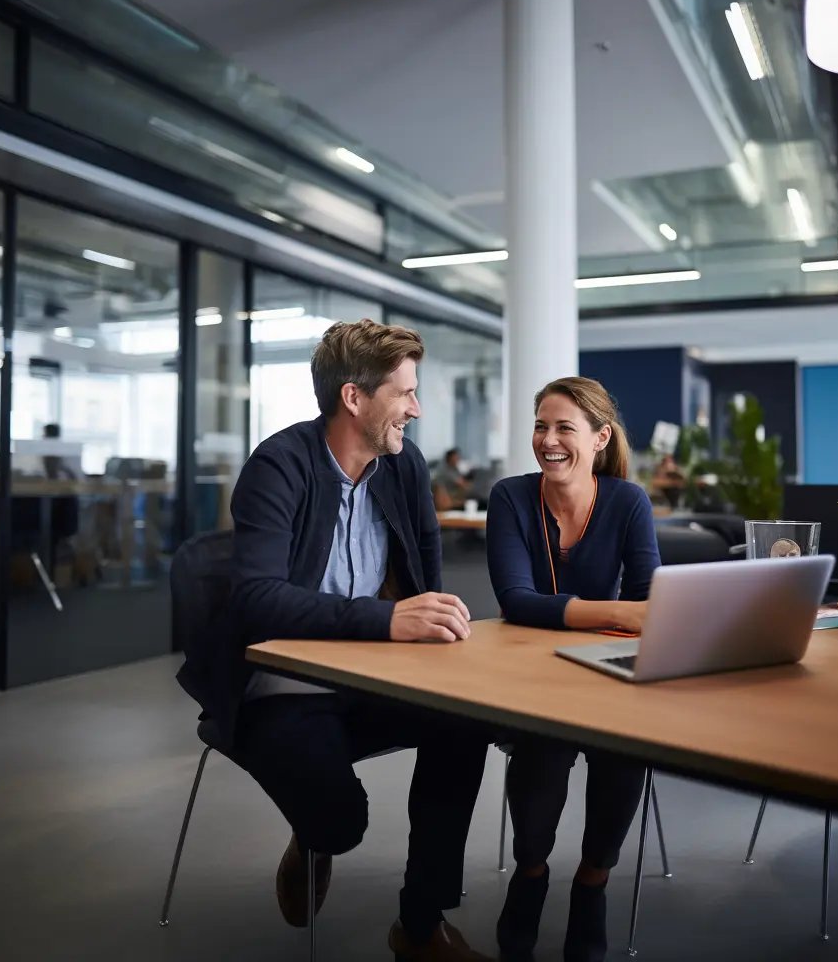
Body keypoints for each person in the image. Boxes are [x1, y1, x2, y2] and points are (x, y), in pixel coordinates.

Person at [177, 319, 492, 962]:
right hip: (281, 687)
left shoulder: (403, 468)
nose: (416, 407)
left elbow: (423, 581)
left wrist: (433, 635)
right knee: (341, 821)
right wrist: (385, 620)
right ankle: (315, 838)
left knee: (463, 723)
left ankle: (421, 925)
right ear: (355, 398)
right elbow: (258, 600)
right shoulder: (279, 465)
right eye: (404, 392)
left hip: (374, 677)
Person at [485, 376, 661, 962]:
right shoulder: (511, 497)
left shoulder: (627, 501)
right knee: (543, 749)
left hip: (605, 668)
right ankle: (530, 874)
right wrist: (615, 611)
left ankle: (592, 882)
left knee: (623, 747)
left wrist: (621, 615)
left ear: (600, 437)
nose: (549, 440)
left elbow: (650, 601)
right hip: (532, 675)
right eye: (541, 426)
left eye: (564, 427)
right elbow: (516, 599)